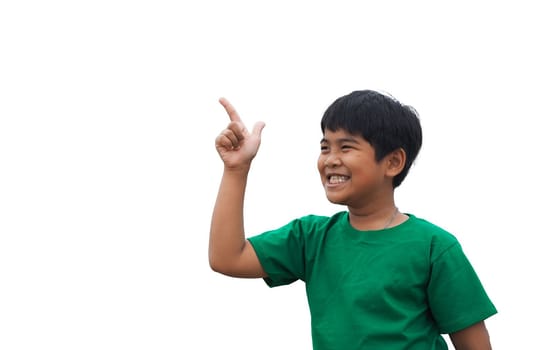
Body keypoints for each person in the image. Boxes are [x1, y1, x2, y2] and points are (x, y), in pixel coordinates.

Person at [209, 90, 497, 349]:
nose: (330, 159)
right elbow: (227, 258)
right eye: (325, 147)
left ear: (393, 162)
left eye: (346, 147)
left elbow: (475, 345)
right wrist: (237, 170)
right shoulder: (311, 238)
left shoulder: (434, 246)